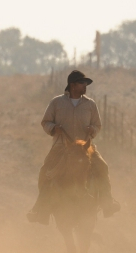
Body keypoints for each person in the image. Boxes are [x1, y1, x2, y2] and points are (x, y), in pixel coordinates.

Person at [27, 70, 121, 225]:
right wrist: (54, 128)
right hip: (61, 147)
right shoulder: (56, 102)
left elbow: (98, 125)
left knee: (103, 167)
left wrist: (93, 130)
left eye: (85, 83)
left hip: (86, 148)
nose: (85, 86)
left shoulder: (90, 104)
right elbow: (45, 122)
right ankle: (40, 210)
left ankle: (107, 203)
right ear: (72, 85)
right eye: (82, 83)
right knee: (46, 171)